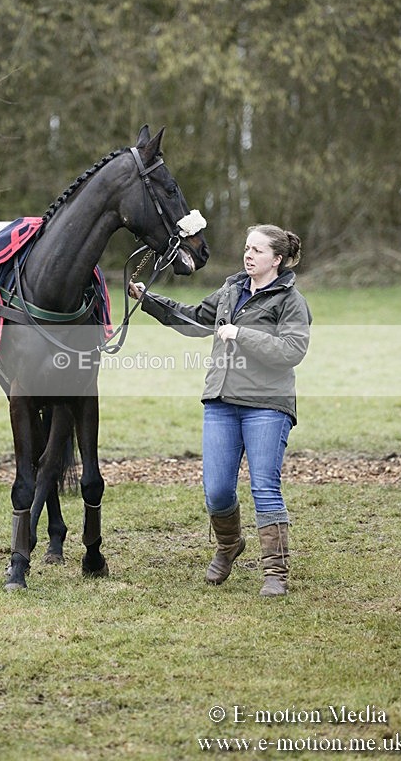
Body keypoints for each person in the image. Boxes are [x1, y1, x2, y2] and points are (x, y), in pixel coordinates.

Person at [129, 224, 312, 596]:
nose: (249, 255)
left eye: (258, 251)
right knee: (217, 492)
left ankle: (275, 571)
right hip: (221, 404)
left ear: (277, 259)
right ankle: (229, 545)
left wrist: (240, 334)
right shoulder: (231, 291)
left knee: (264, 487)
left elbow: (292, 351)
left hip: (267, 405)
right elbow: (196, 318)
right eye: (247, 248)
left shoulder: (290, 300)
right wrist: (148, 299)